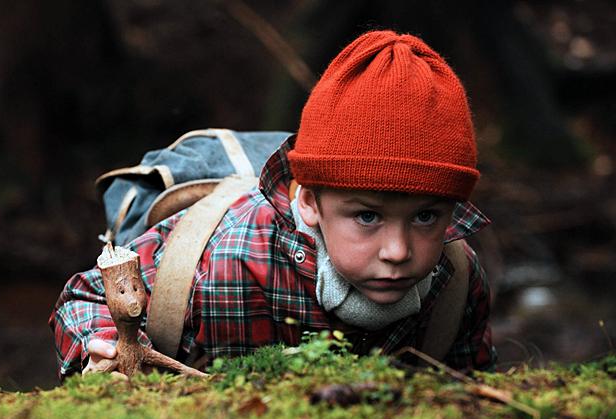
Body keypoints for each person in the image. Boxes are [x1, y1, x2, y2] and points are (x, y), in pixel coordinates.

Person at [49, 30, 496, 379]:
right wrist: (102, 346)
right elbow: (82, 295)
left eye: (425, 216)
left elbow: (468, 393)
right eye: (367, 216)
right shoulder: (223, 262)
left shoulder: (457, 282)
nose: (397, 251)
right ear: (310, 203)